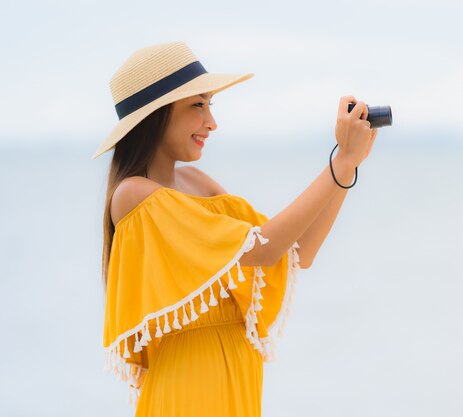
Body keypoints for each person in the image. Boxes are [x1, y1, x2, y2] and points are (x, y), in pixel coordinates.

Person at [93, 41, 378, 417]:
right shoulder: (134, 196)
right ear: (156, 114)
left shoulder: (198, 182)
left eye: (211, 105)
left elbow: (298, 251)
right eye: (197, 105)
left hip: (237, 382)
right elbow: (263, 248)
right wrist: (339, 160)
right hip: (190, 389)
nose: (212, 121)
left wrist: (347, 165)